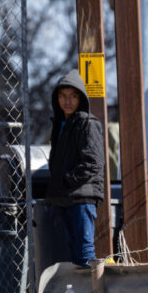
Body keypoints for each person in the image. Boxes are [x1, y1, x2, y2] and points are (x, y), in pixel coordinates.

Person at [46, 69, 104, 267]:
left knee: (85, 255)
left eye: (73, 96)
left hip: (81, 198)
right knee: (73, 258)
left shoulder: (88, 123)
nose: (67, 101)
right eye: (63, 96)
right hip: (64, 199)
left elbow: (94, 162)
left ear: (81, 98)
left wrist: (67, 180)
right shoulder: (61, 125)